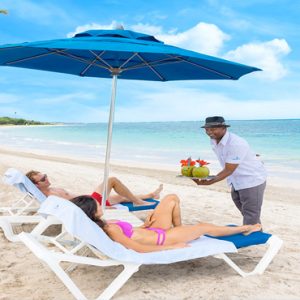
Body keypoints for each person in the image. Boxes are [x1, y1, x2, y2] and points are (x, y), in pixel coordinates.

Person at [70, 193, 262, 253]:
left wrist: (143, 226)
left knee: (170, 198)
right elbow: (137, 248)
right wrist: (174, 247)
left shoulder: (100, 225)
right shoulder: (109, 229)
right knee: (203, 227)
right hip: (164, 239)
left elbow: (133, 236)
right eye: (97, 204)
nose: (99, 203)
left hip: (152, 231)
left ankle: (181, 228)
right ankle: (245, 228)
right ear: (92, 211)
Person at [193, 116, 267, 225]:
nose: (209, 132)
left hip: (251, 180)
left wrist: (209, 181)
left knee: (251, 216)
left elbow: (228, 170)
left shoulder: (236, 143)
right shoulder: (214, 140)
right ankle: (257, 233)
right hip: (235, 181)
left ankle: (253, 239)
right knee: (248, 215)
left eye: (213, 129)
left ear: (224, 128)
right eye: (207, 129)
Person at [26, 170, 163, 206]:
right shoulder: (50, 197)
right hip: (90, 204)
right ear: (36, 185)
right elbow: (72, 206)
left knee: (121, 197)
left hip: (89, 199)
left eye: (45, 175)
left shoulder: (52, 190)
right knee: (112, 180)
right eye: (43, 179)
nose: (46, 178)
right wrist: (97, 207)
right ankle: (139, 201)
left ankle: (151, 195)